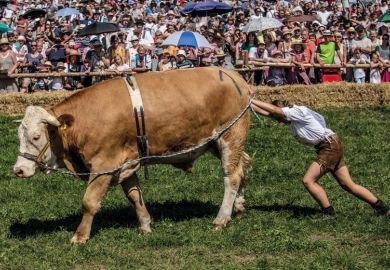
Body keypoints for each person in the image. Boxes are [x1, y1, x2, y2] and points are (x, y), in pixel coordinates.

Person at [250, 98, 390, 218]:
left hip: (329, 147)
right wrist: (248, 103)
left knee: (308, 180)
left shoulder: (296, 112)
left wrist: (252, 100)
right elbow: (272, 113)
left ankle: (328, 212)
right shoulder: (292, 117)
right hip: (331, 145)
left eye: (278, 117)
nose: (278, 122)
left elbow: (276, 111)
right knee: (348, 185)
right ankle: (382, 208)